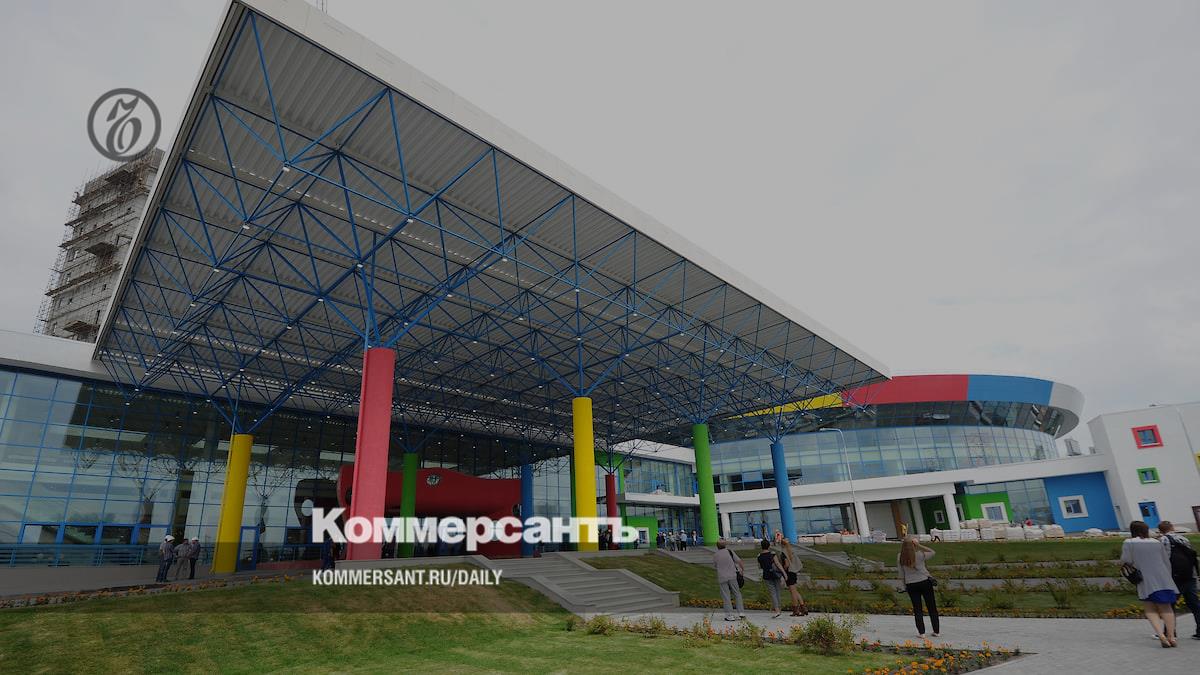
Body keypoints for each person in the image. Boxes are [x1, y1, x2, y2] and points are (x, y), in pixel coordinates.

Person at [1121, 520, 1179, 648]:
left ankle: (1161, 635)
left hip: (1145, 579)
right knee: (1167, 608)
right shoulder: (1156, 542)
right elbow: (1166, 561)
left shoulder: (1129, 542)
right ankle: (1171, 636)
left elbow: (1126, 560)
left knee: (1150, 608)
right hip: (1163, 578)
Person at [1159, 521, 1200, 640]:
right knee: (1194, 604)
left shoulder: (1163, 540)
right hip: (1189, 575)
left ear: (1160, 530)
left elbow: (1163, 559)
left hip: (1174, 577)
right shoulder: (1183, 539)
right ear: (1172, 527)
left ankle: (1170, 632)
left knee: (1170, 605)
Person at [898, 536, 939, 638]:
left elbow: (901, 574)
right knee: (932, 607)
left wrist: (904, 586)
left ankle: (921, 633)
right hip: (924, 581)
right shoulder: (920, 554)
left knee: (917, 609)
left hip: (911, 584)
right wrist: (919, 545)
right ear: (914, 545)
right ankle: (936, 631)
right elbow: (932, 552)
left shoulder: (900, 557)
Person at [713, 540, 746, 621]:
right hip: (732, 576)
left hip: (722, 577)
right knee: (737, 593)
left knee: (726, 596)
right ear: (725, 545)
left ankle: (729, 615)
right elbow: (739, 561)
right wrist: (742, 570)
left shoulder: (715, 555)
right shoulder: (729, 552)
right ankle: (741, 613)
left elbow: (715, 565)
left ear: (717, 546)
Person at [757, 538, 787, 618]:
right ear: (769, 546)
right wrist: (784, 573)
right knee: (778, 592)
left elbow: (760, 567)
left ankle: (777, 610)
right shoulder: (772, 554)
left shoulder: (759, 556)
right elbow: (778, 564)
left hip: (766, 575)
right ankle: (779, 609)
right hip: (775, 574)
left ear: (761, 546)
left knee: (773, 593)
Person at [779, 540, 809, 616]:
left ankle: (796, 610)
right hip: (793, 572)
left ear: (782, 545)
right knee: (795, 591)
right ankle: (803, 607)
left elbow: (786, 564)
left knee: (793, 593)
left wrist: (783, 569)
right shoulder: (791, 551)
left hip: (788, 573)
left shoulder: (783, 553)